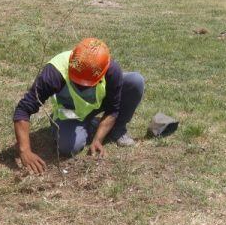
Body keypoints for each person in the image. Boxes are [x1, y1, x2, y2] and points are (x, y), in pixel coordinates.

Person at [13, 38, 145, 174]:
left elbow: (113, 109)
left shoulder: (111, 69)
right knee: (68, 147)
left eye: (87, 83)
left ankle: (118, 130)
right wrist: (25, 150)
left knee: (135, 81)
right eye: (78, 82)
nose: (82, 86)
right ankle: (65, 124)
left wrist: (98, 140)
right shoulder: (54, 72)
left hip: (97, 104)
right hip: (71, 112)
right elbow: (23, 109)